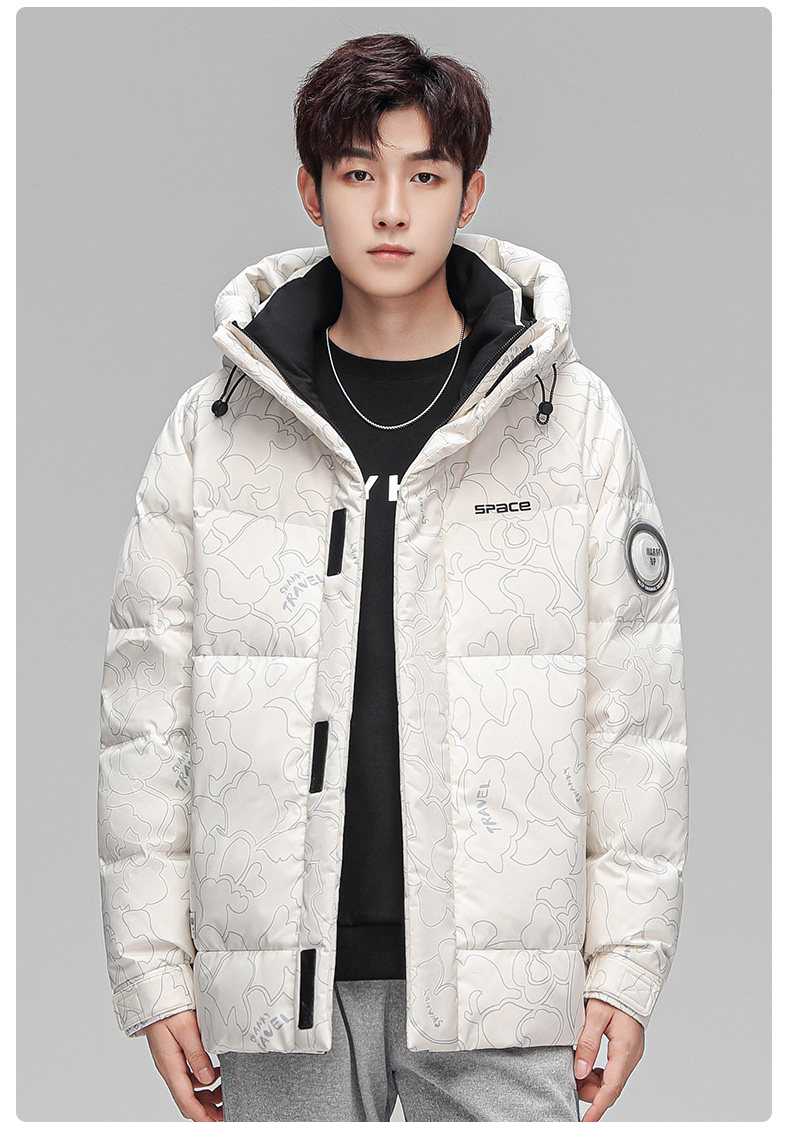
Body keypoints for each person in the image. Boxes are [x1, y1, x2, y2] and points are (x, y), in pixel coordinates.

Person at [97, 31, 689, 1122]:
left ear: (469, 195)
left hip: (507, 986)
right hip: (281, 986)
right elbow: (145, 723)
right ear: (310, 191)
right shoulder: (213, 431)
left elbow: (633, 717)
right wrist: (154, 973)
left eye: (424, 176)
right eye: (358, 173)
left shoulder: (568, 424)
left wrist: (626, 966)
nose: (389, 210)